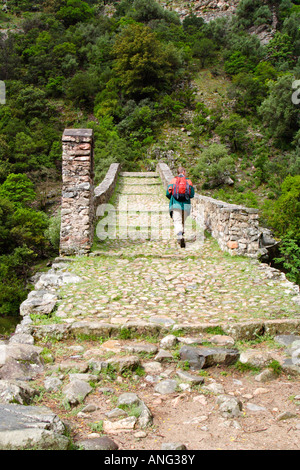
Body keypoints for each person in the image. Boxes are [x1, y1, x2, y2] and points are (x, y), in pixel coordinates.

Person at [166, 166, 194, 248]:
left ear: (177, 172)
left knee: (177, 221)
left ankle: (179, 235)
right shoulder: (188, 181)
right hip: (186, 205)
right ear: (184, 172)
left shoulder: (173, 181)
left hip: (176, 204)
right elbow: (192, 194)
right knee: (182, 221)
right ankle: (181, 234)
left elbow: (168, 193)